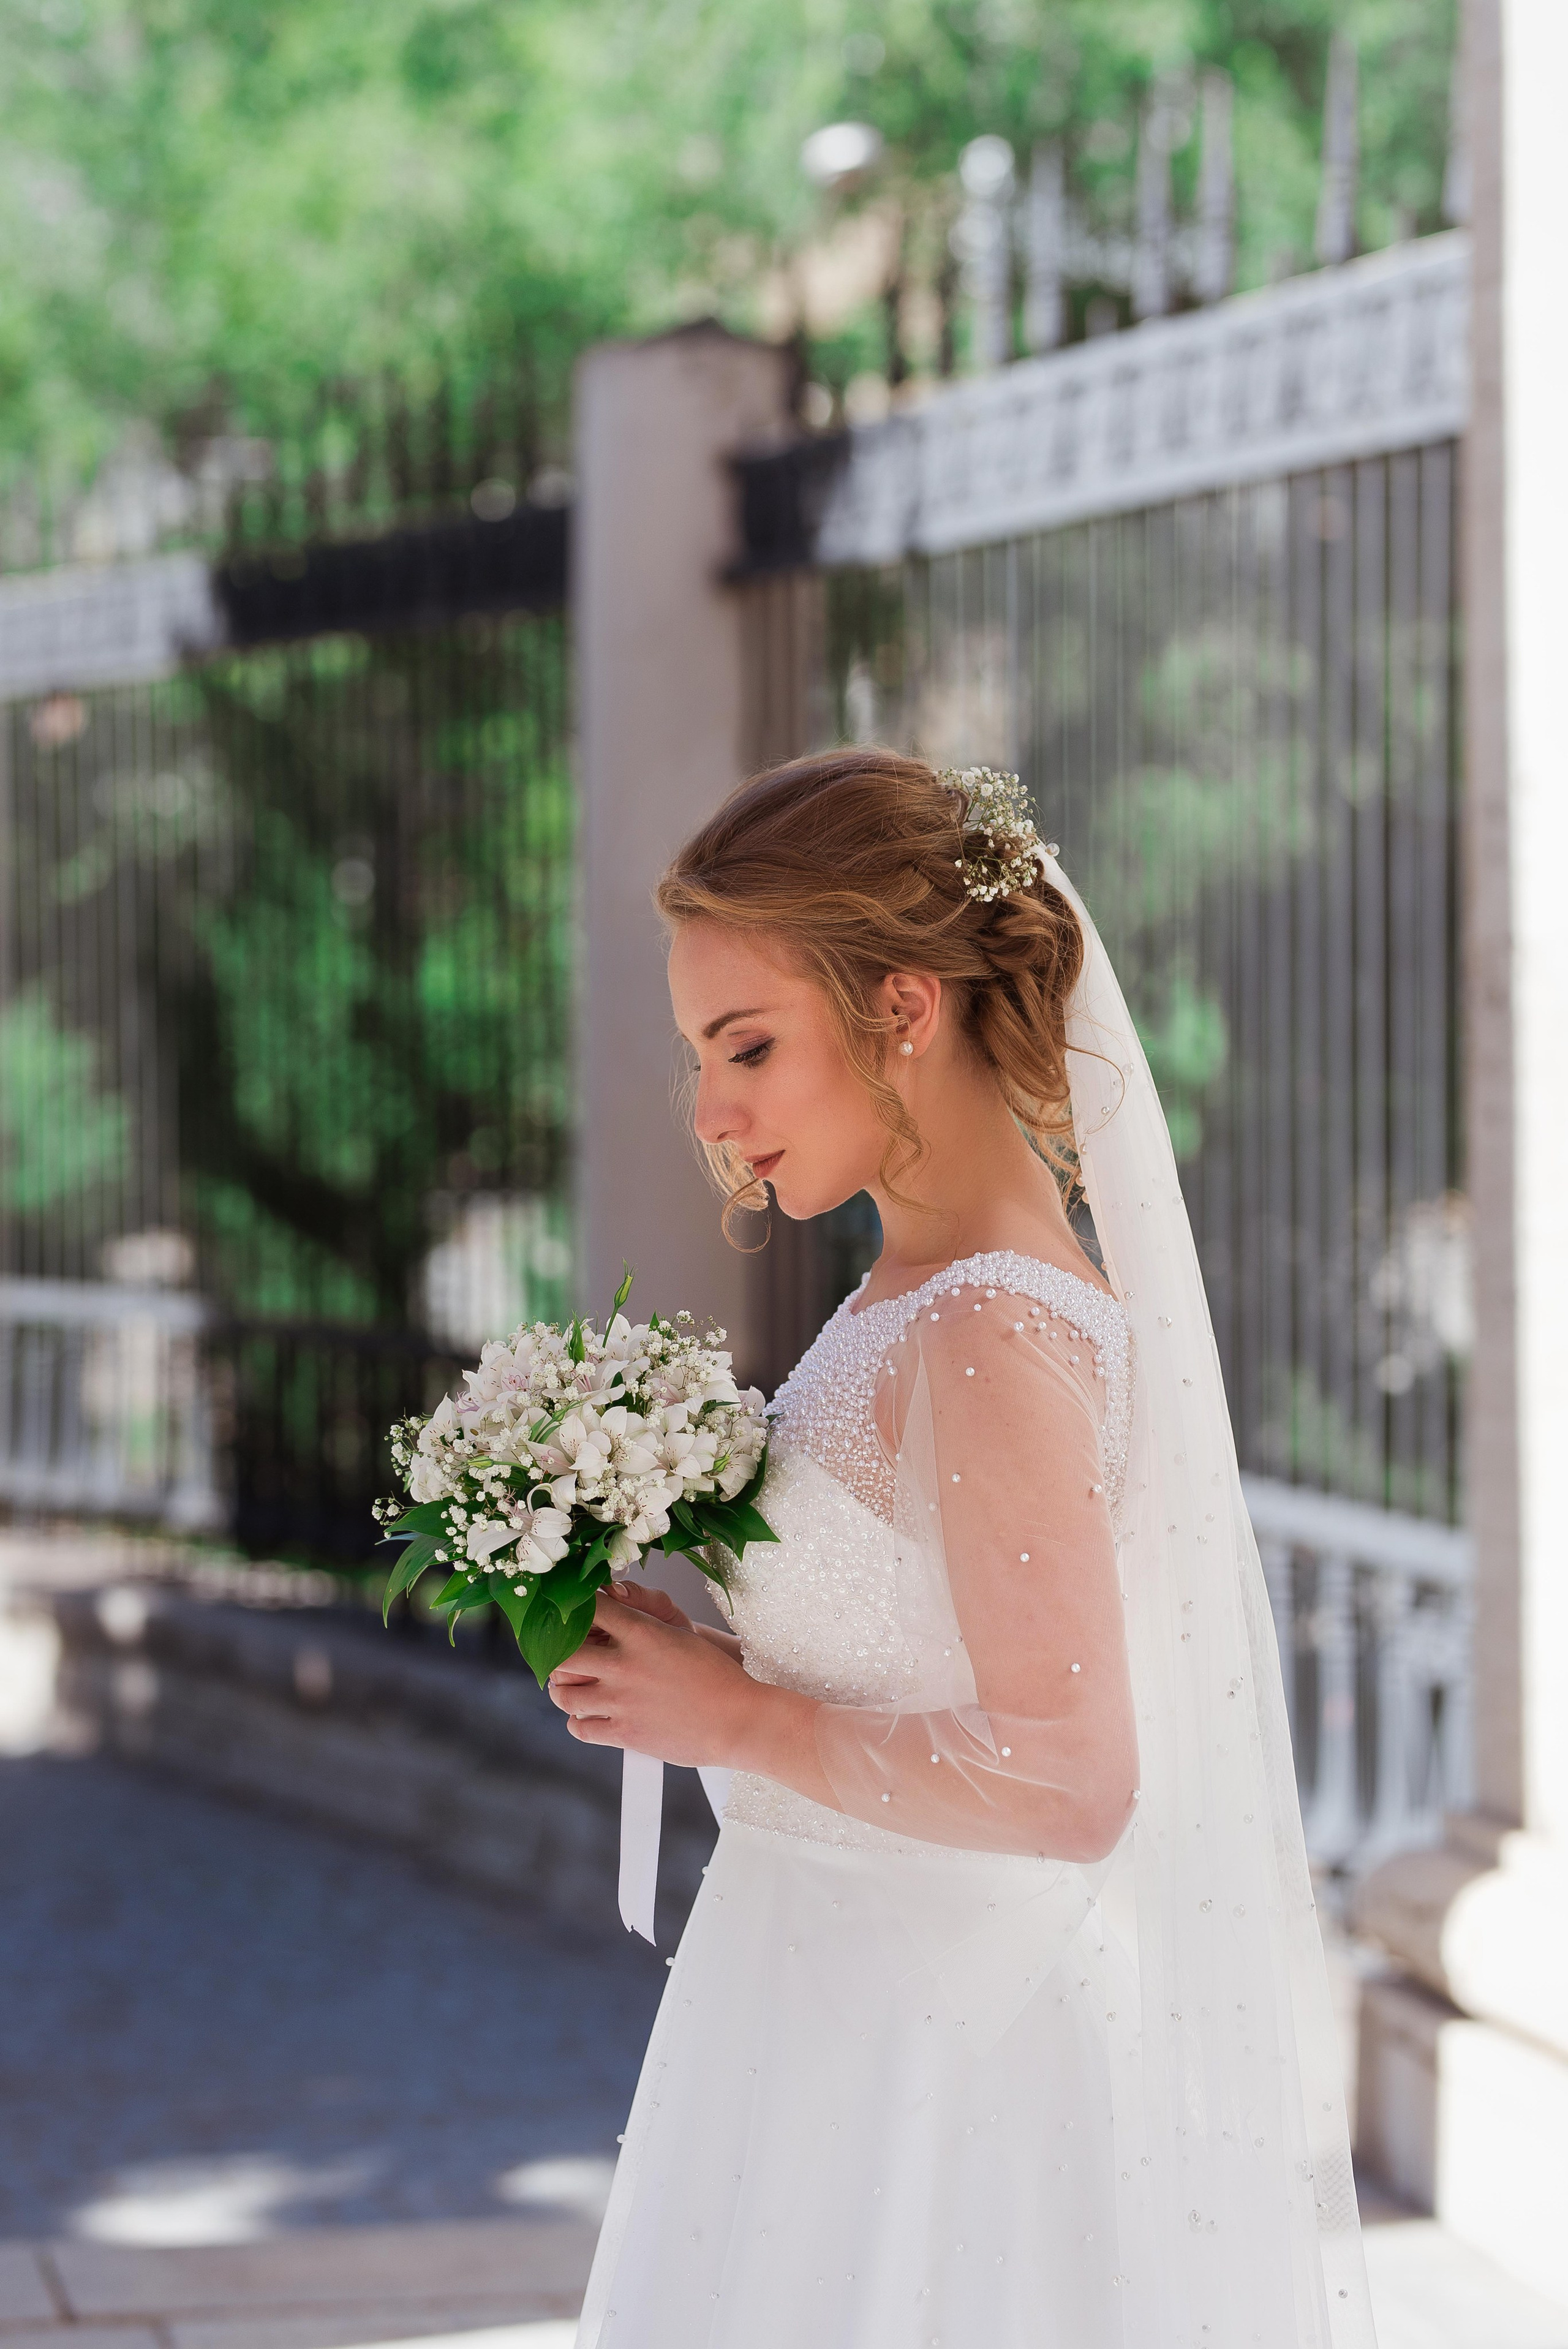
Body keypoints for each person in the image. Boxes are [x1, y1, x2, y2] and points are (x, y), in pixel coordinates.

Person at [551, 749, 1375, 2348]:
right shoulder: (910, 1294)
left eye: (748, 1045)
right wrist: (710, 1669)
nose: (713, 1111)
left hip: (944, 2078)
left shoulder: (991, 1326)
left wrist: (736, 1719)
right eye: (702, 1056)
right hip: (824, 2008)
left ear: (904, 1009)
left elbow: (1071, 1778)